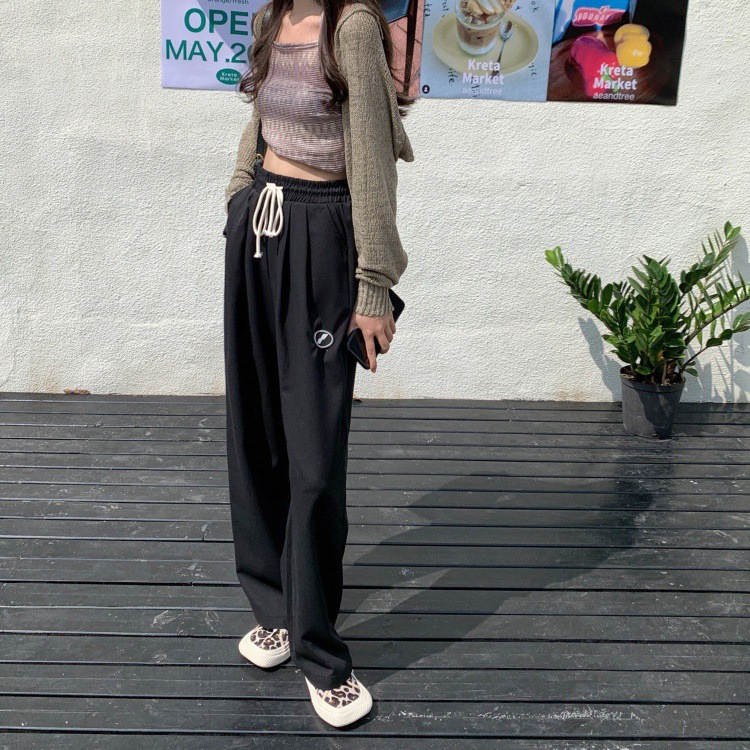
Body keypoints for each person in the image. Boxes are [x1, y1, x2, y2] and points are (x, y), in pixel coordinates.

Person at [222, 0, 415, 728]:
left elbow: (371, 159)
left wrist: (373, 285)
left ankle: (320, 651)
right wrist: (239, 192)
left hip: (322, 236)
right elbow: (260, 119)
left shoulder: (352, 27)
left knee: (313, 456)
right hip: (260, 231)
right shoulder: (271, 20)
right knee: (255, 433)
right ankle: (274, 607)